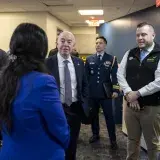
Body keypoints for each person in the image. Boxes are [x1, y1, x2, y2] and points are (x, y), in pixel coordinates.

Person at [0, 23, 70, 160]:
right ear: (41, 50)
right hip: (43, 154)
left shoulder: (4, 79)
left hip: (9, 153)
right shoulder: (43, 82)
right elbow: (60, 129)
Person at [117, 22, 160, 160]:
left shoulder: (159, 54)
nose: (140, 38)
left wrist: (138, 93)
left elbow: (159, 81)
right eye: (138, 35)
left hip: (151, 108)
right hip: (131, 107)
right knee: (132, 141)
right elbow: (120, 74)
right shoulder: (130, 53)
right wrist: (130, 93)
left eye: (144, 34)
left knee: (152, 143)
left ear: (153, 35)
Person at [46, 31, 88, 160]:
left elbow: (85, 85)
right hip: (56, 109)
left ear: (73, 45)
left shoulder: (79, 63)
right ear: (57, 44)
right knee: (54, 141)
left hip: (75, 108)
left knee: (73, 141)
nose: (65, 44)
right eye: (62, 41)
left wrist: (85, 103)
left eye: (69, 42)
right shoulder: (47, 63)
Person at [85, 36, 119, 150]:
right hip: (92, 93)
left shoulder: (112, 58)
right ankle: (95, 134)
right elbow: (86, 77)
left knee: (109, 117)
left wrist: (115, 90)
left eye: (100, 43)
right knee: (94, 115)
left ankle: (113, 139)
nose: (98, 45)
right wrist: (85, 91)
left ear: (105, 45)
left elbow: (115, 76)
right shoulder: (89, 59)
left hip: (106, 93)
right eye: (96, 43)